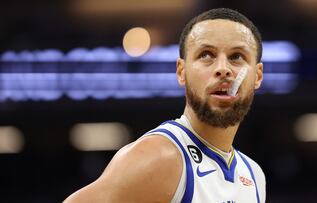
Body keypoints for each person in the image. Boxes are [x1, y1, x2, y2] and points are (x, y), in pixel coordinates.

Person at [64, 7, 265, 203]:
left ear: (257, 76)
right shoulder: (159, 157)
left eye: (236, 56)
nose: (223, 69)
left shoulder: (253, 176)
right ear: (181, 71)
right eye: (206, 55)